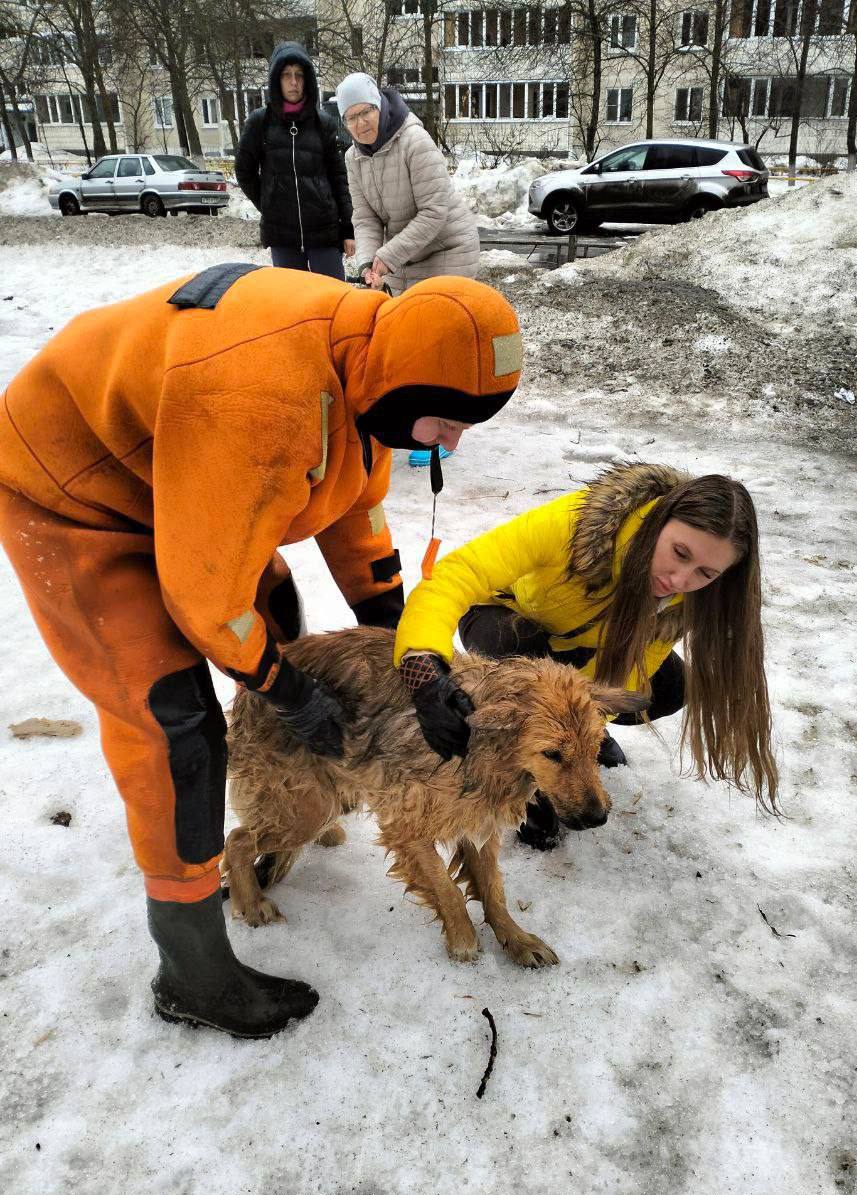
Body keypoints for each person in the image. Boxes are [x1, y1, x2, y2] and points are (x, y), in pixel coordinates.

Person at [0, 265, 522, 1038]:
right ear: (405, 390)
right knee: (176, 724)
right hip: (81, 499)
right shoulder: (259, 400)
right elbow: (204, 599)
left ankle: (289, 802)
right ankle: (193, 971)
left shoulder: (368, 367)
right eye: (446, 423)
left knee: (284, 626)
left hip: (185, 484)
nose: (454, 442)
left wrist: (414, 654)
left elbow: (356, 516)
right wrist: (290, 694)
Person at [393, 462, 780, 848]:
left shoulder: (690, 597)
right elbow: (456, 574)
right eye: (679, 552)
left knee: (671, 687)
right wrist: (421, 667)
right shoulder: (579, 523)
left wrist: (585, 733)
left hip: (585, 649)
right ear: (658, 520)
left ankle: (573, 742)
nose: (679, 580)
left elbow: (633, 666)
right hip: (509, 622)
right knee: (522, 647)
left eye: (705, 573)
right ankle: (529, 764)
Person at [334, 71, 481, 469]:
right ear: (344, 122)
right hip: (406, 257)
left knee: (442, 347)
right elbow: (363, 219)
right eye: (352, 117)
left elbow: (434, 212)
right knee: (412, 346)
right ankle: (422, 421)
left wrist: (387, 257)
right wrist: (368, 262)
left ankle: (448, 432)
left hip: (449, 247)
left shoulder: (414, 141)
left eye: (366, 112)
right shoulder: (352, 159)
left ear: (379, 107)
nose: (361, 124)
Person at [236, 41, 354, 278]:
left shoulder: (324, 124)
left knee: (333, 300)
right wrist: (270, 203)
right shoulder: (260, 123)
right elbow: (244, 172)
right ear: (276, 80)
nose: (293, 82)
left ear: (307, 80)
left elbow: (339, 178)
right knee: (293, 307)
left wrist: (347, 227)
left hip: (324, 232)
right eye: (286, 75)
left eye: (299, 75)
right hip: (283, 237)